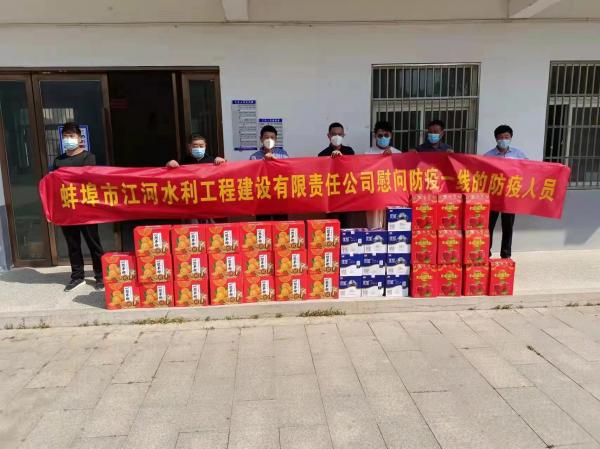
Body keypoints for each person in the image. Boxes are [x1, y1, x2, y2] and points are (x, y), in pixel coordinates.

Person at [52, 122, 105, 292]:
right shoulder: (58, 160)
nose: (68, 139)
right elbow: (54, 184)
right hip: (67, 209)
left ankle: (100, 276)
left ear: (80, 138)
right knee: (72, 244)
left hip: (86, 209)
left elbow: (88, 179)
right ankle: (77, 277)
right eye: (65, 136)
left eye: (72, 136)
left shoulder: (88, 157)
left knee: (93, 243)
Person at [484, 124, 528, 259]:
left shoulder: (518, 154)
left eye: (506, 137)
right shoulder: (488, 156)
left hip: (510, 196)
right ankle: (486, 253)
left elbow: (529, 169)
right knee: (488, 226)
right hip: (493, 195)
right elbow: (482, 174)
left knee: (508, 226)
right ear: (496, 139)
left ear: (511, 138)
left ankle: (506, 254)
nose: (504, 140)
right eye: (501, 137)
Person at [365, 121, 399, 228]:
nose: (383, 138)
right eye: (380, 135)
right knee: (374, 227)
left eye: (386, 135)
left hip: (393, 197)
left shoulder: (398, 154)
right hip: (375, 197)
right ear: (375, 136)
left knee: (392, 226)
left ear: (391, 135)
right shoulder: (367, 154)